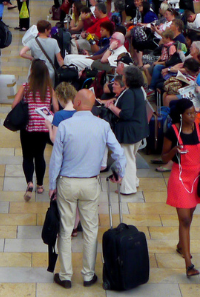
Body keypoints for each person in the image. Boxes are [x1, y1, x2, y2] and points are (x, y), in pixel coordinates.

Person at [48, 87, 126, 288]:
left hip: (67, 181)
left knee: (65, 229)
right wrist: (119, 173)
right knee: (91, 229)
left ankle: (65, 276)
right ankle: (88, 275)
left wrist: (51, 184)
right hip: (91, 182)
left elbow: (56, 159)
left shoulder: (65, 126)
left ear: (79, 103)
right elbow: (118, 152)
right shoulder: (102, 125)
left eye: (75, 99)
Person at [162, 98, 200, 277]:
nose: (193, 116)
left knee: (189, 216)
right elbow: (164, 158)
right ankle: (189, 264)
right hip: (180, 177)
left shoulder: (199, 129)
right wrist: (175, 150)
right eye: (189, 113)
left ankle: (181, 245)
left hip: (196, 177)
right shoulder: (172, 131)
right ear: (181, 115)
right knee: (185, 219)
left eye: (194, 112)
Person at [10, 58, 56, 200]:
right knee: (40, 156)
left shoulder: (26, 87)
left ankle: (29, 182)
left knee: (27, 156)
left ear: (32, 72)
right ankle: (41, 185)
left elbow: (14, 105)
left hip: (28, 128)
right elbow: (57, 108)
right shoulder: (49, 90)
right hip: (43, 128)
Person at [99, 64, 147, 195]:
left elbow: (125, 114)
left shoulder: (129, 93)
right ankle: (134, 181)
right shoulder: (138, 90)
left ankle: (128, 188)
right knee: (131, 157)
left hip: (129, 131)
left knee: (127, 160)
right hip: (138, 129)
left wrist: (111, 107)